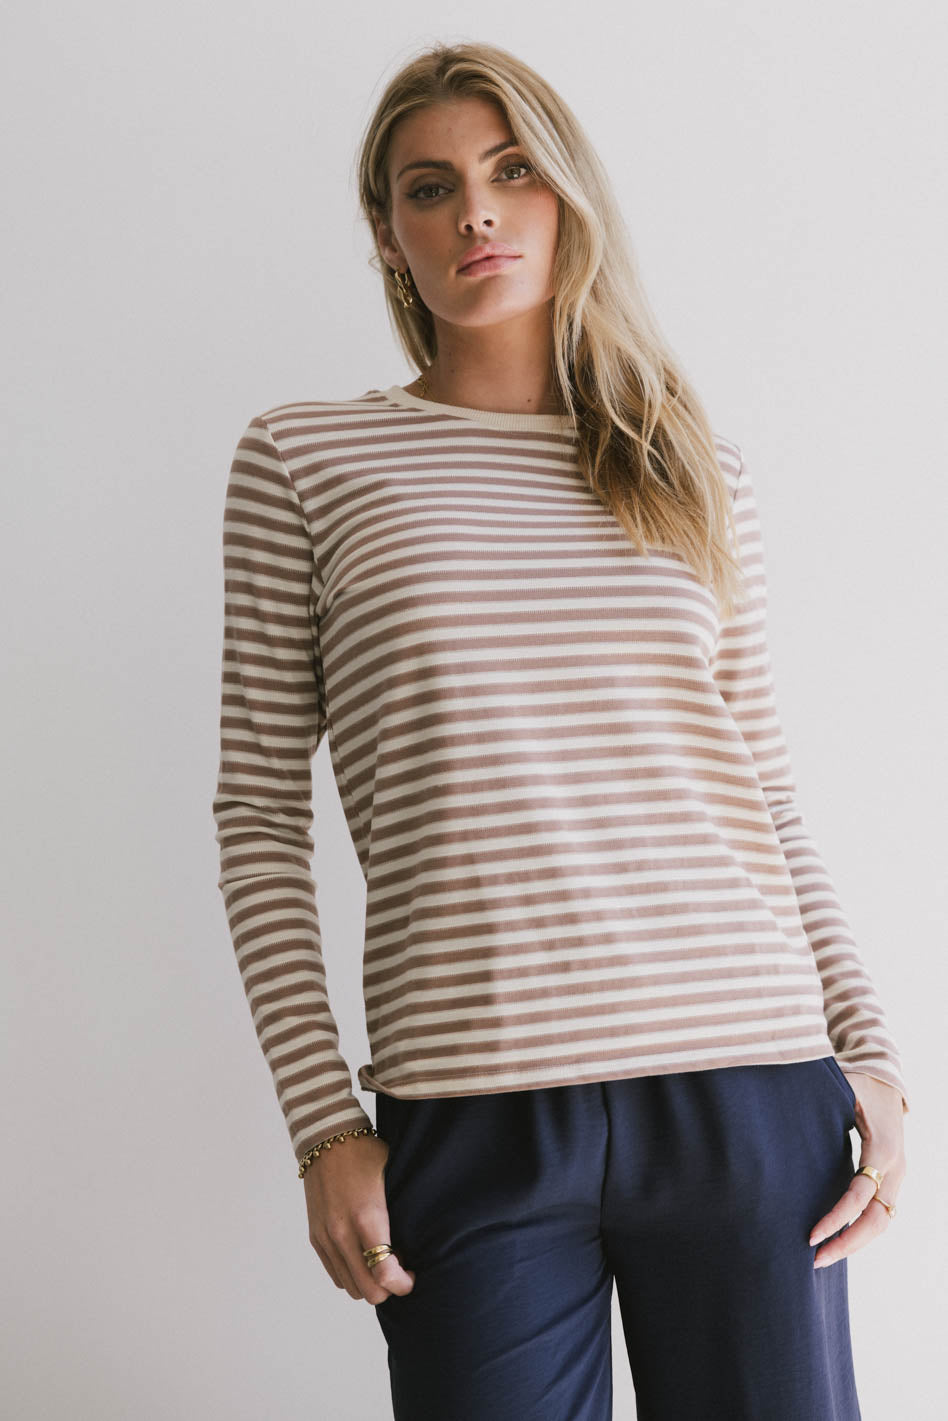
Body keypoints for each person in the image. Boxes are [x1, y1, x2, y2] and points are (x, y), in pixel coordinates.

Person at [212, 39, 909, 1421]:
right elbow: (258, 817)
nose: (476, 210)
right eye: (431, 187)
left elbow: (764, 791)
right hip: (471, 1107)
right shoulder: (306, 461)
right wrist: (323, 1122)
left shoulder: (694, 467)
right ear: (389, 235)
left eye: (513, 170)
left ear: (568, 196)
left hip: (745, 1082)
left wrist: (870, 1051)